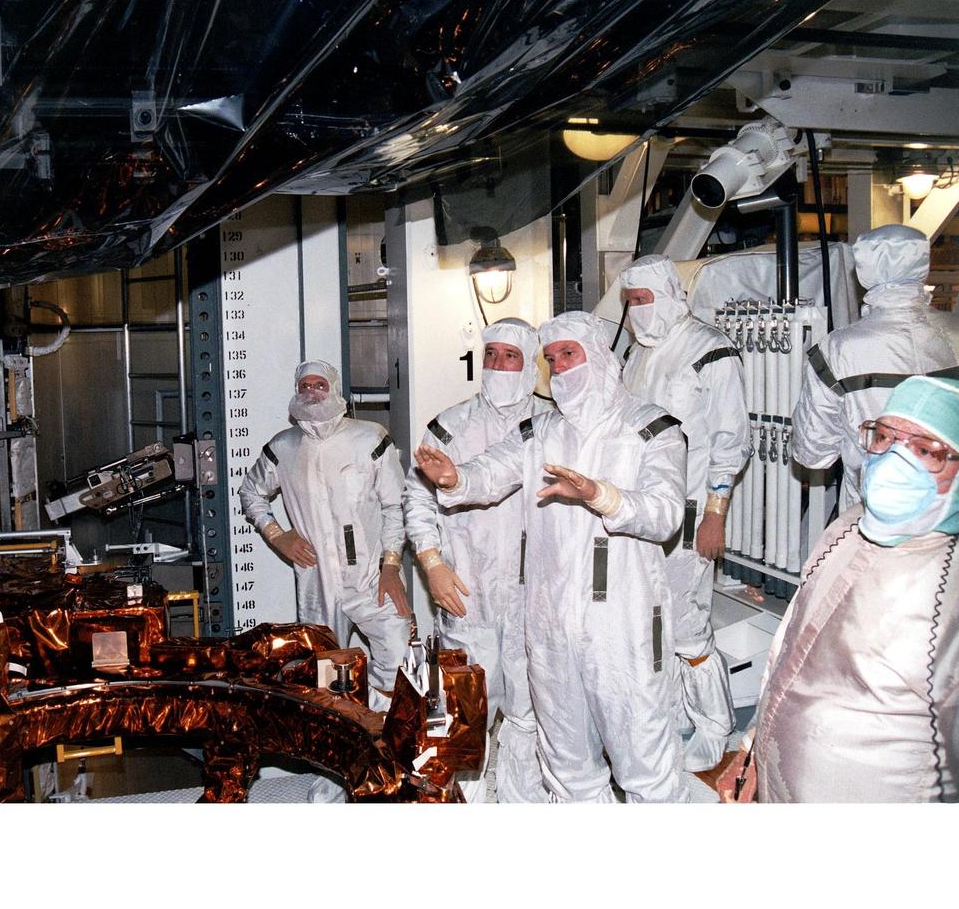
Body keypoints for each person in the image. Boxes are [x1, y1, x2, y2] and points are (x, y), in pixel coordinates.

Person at [414, 312, 689, 802]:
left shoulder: (651, 428)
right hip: (549, 625)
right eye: (551, 359)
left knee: (644, 763)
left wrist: (600, 495)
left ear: (599, 356)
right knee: (567, 763)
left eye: (569, 354)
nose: (559, 367)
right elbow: (491, 470)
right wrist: (456, 480)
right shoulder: (539, 431)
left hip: (620, 626)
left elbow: (665, 514)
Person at [719, 375, 959, 802]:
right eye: (884, 437)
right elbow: (789, 652)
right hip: (781, 782)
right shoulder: (848, 526)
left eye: (924, 450)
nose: (894, 460)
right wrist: (752, 748)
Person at [403, 318, 550, 802]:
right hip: (467, 588)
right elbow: (417, 497)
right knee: (465, 706)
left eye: (510, 356)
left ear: (529, 364)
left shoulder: (552, 424)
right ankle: (465, 800)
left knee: (532, 705)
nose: (498, 365)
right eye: (491, 355)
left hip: (534, 592)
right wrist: (432, 564)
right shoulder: (448, 426)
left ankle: (520, 799)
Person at [617, 254, 751, 772]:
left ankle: (716, 729)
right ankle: (673, 719)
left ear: (671, 295)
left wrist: (715, 511)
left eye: (645, 300)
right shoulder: (636, 353)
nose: (637, 311)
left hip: (693, 511)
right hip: (643, 513)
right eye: (630, 302)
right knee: (654, 621)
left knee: (689, 625)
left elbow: (729, 439)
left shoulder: (710, 349)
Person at [239, 361, 411, 711]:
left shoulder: (369, 437)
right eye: (304, 386)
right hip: (317, 579)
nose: (312, 392)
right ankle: (346, 753)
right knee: (329, 675)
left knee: (397, 661)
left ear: (334, 389)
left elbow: (396, 506)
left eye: (320, 384)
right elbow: (251, 493)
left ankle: (386, 741)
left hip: (372, 578)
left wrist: (391, 565)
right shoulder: (283, 447)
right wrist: (277, 535)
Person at [792, 223, 959, 512]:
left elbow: (812, 453)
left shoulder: (838, 349)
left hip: (875, 517)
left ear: (863, 270)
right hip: (957, 521)